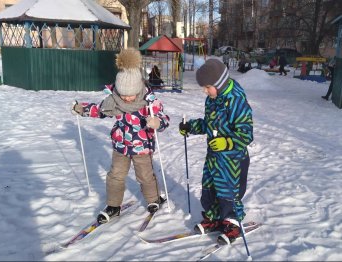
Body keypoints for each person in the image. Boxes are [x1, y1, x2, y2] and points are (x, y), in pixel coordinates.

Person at [72, 48, 170, 224]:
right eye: (123, 95)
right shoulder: (114, 100)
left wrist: (157, 122)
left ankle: (154, 199)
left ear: (138, 89)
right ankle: (113, 205)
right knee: (115, 175)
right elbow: (100, 110)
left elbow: (164, 118)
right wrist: (83, 109)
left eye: (130, 95)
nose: (126, 99)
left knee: (145, 176)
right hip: (121, 146)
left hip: (142, 147)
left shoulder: (149, 101)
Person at [179, 59, 253, 244]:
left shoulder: (236, 100)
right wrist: (191, 127)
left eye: (207, 87)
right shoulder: (212, 99)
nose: (205, 91)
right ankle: (214, 218)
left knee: (228, 191)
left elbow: (246, 133)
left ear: (219, 84)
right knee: (210, 187)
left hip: (233, 159)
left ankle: (232, 222)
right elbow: (208, 124)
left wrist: (227, 142)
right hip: (214, 157)